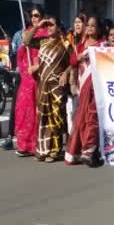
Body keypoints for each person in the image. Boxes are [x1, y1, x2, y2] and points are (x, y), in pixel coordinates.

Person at [30, 16, 74, 162]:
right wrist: (38, 26)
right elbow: (26, 41)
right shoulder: (42, 42)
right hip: (43, 85)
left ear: (59, 28)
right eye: (47, 25)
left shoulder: (65, 43)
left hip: (57, 85)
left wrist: (66, 73)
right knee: (44, 117)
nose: (49, 27)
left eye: (52, 25)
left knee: (56, 117)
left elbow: (73, 62)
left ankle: (55, 150)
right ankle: (44, 150)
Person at [66, 16, 104, 167]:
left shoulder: (103, 45)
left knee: (92, 117)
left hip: (96, 87)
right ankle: (79, 150)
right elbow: (72, 62)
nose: (89, 28)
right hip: (83, 86)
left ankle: (88, 151)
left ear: (99, 28)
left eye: (93, 26)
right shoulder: (81, 44)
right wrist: (79, 57)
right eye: (88, 25)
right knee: (81, 118)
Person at [14, 6, 47, 156]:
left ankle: (37, 144)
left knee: (38, 112)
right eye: (32, 16)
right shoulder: (26, 33)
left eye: (37, 16)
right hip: (27, 80)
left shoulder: (46, 35)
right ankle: (24, 144)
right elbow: (22, 51)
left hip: (40, 78)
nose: (34, 18)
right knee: (23, 111)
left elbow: (48, 56)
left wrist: (38, 66)